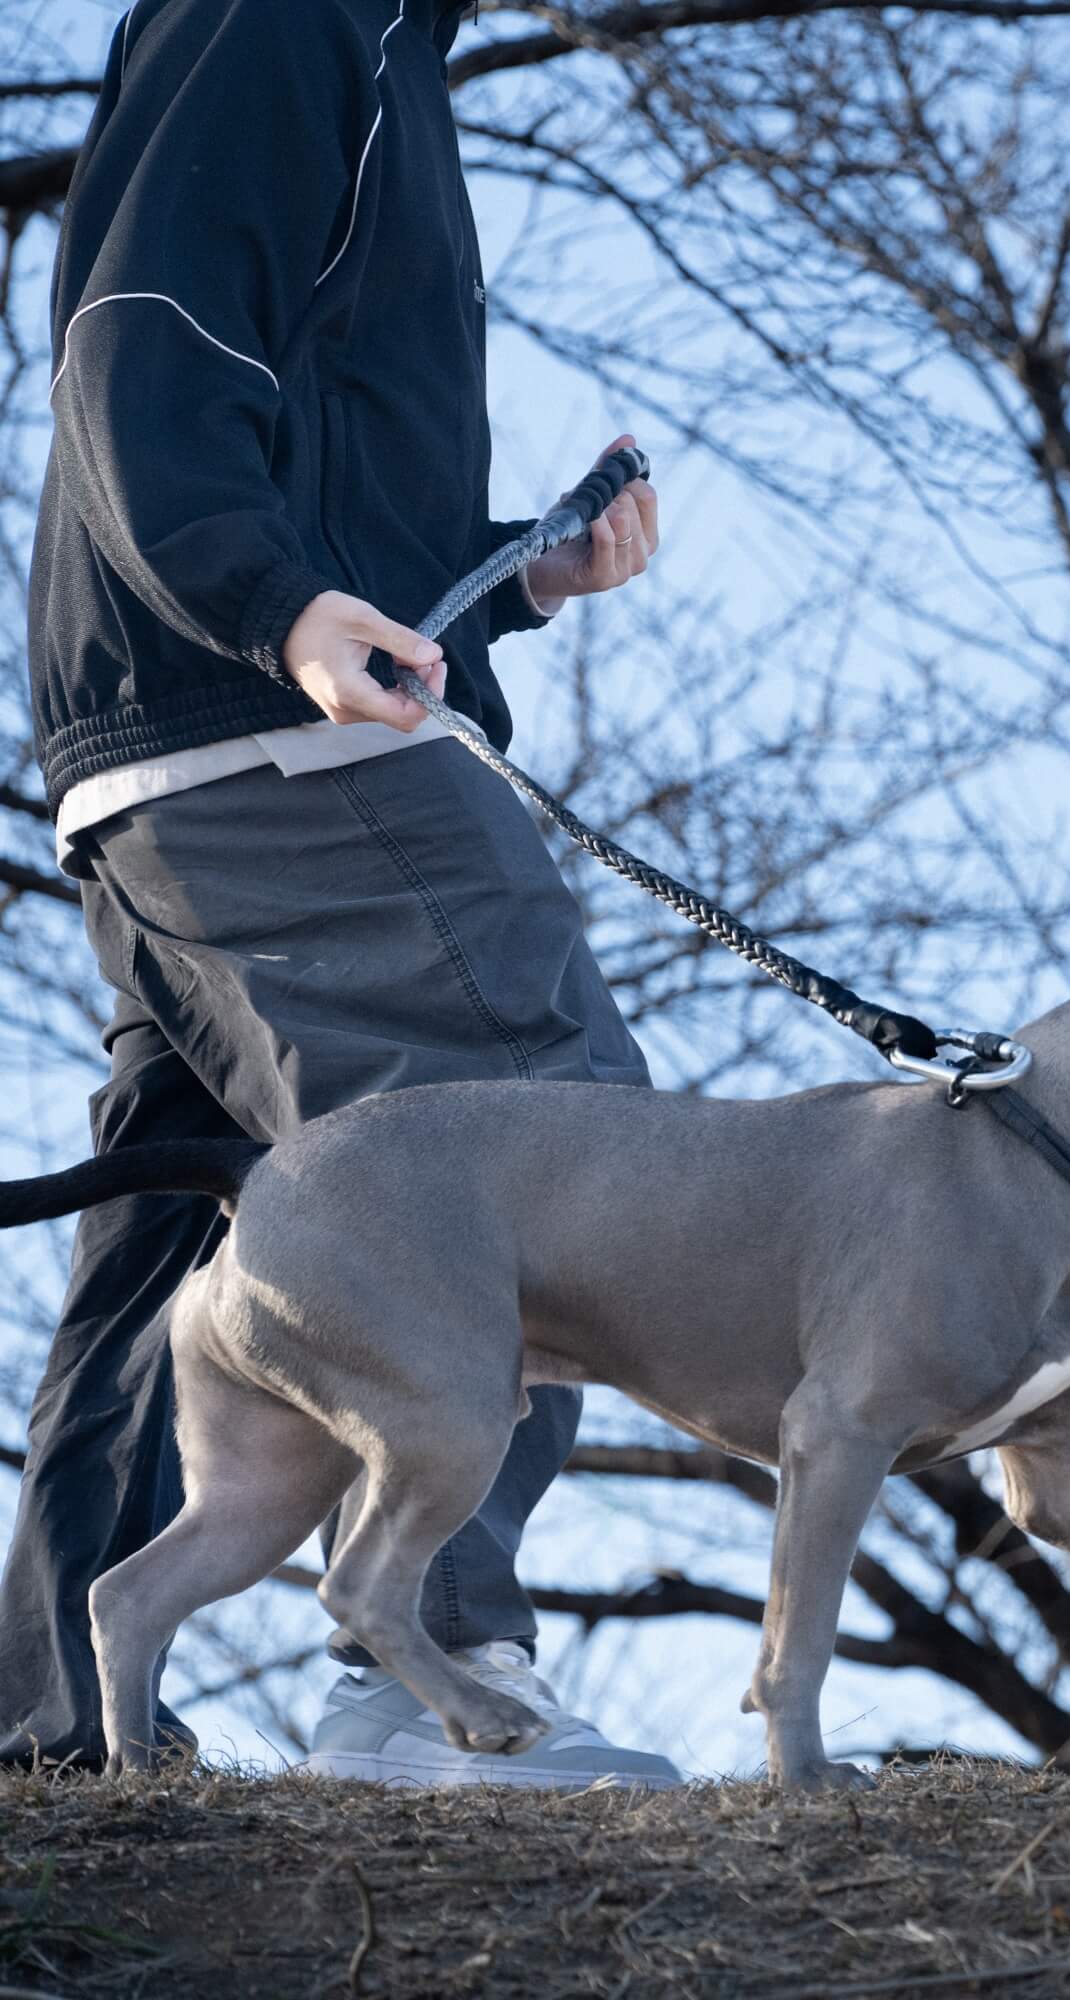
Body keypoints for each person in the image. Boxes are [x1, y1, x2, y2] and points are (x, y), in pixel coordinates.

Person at [0, 0, 680, 1788]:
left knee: (184, 1230)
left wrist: (507, 590)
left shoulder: (367, 43)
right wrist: (273, 603)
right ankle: (429, 1684)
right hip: (258, 729)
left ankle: (51, 1720)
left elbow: (297, 423)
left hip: (188, 742)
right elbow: (138, 339)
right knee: (549, 1154)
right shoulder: (296, 11)